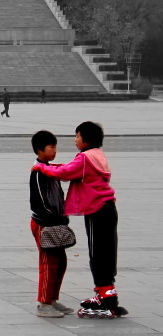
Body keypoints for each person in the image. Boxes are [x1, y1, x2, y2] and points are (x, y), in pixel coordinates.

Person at [32, 121, 127, 318]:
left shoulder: (85, 158)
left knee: (98, 254)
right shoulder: (97, 155)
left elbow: (65, 172)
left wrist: (41, 168)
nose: (75, 140)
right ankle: (108, 293)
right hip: (107, 209)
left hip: (97, 210)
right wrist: (51, 167)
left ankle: (104, 296)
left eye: (77, 136)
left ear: (86, 139)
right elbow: (68, 168)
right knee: (107, 252)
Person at [29, 130, 73, 318]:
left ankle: (53, 299)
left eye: (55, 147)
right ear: (40, 150)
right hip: (43, 224)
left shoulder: (49, 169)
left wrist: (63, 214)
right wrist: (51, 217)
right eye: (51, 147)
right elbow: (38, 201)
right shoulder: (38, 172)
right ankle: (44, 303)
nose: (54, 151)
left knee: (60, 262)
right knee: (48, 262)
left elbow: (59, 195)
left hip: (55, 222)